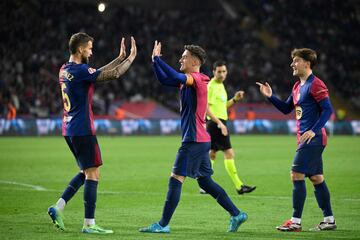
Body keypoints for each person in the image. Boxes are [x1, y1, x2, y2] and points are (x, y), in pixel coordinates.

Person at [139, 41, 248, 234]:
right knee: (205, 182)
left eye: (184, 56)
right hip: (201, 138)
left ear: (195, 61)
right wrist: (155, 63)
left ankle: (163, 224)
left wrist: (159, 59)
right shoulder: (191, 80)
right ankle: (236, 214)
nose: (181, 58)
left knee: (176, 178)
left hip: (194, 140)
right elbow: (165, 80)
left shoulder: (196, 79)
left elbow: (172, 74)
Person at [47, 32, 137, 234]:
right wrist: (130, 58)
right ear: (80, 49)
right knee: (93, 173)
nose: (91, 51)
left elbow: (94, 73)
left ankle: (58, 207)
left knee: (86, 171)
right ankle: (89, 223)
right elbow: (112, 75)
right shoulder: (80, 70)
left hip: (68, 128)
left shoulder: (65, 69)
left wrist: (118, 58)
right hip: (82, 128)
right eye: (89, 47)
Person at [256, 48, 336, 232]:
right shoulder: (297, 86)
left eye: (296, 61)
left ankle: (295, 222)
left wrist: (314, 131)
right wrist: (270, 96)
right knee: (316, 178)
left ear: (307, 63)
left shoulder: (316, 84)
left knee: (296, 174)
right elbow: (286, 109)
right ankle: (329, 220)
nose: (292, 64)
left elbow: (328, 110)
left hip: (313, 138)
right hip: (304, 139)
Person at [203, 60, 256, 195]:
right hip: (216, 123)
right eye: (219, 71)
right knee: (229, 153)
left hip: (217, 123)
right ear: (213, 72)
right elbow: (206, 108)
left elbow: (222, 106)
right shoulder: (211, 86)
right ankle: (239, 186)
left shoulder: (221, 86)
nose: (222, 74)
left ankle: (204, 184)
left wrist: (235, 99)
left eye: (224, 71)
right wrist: (220, 124)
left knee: (212, 154)